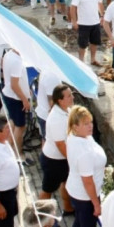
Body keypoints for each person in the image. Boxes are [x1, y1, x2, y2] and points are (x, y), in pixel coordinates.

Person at [66, 106, 107, 227]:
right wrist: (96, 204)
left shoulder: (75, 137)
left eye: (90, 122)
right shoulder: (83, 152)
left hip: (75, 192)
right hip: (85, 197)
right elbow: (88, 181)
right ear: (75, 126)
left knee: (80, 221)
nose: (90, 126)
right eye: (85, 123)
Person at [38, 84, 75, 215]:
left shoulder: (66, 110)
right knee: (47, 189)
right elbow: (60, 144)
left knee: (65, 182)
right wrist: (72, 161)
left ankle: (68, 208)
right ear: (60, 100)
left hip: (61, 159)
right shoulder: (56, 118)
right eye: (69, 96)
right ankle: (42, 215)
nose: (72, 97)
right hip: (53, 161)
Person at [1, 48, 33, 165]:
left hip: (9, 95)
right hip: (15, 99)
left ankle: (8, 148)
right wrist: (24, 100)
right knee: (20, 127)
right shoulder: (17, 61)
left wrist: (26, 89)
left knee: (13, 122)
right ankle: (19, 155)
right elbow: (14, 85)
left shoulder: (8, 54)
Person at [71, 0, 105, 66]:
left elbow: (100, 3)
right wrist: (74, 21)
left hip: (95, 21)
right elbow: (73, 7)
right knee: (82, 44)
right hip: (83, 23)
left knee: (94, 42)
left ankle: (93, 59)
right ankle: (81, 62)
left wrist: (102, 16)